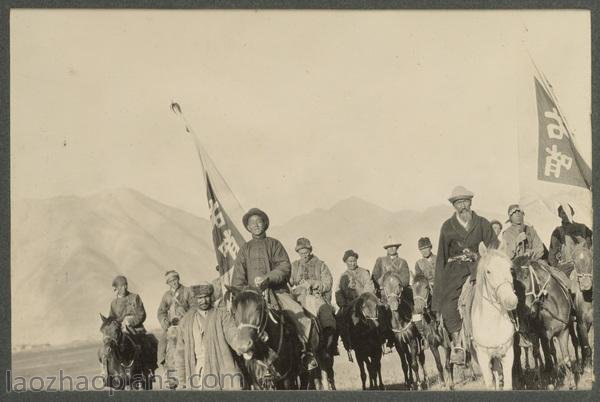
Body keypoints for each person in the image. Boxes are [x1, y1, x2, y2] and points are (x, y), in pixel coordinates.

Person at [231, 208, 318, 370]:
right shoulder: (244, 250)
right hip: (252, 297)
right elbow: (238, 277)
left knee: (300, 315)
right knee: (236, 321)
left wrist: (268, 278)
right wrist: (241, 293)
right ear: (248, 228)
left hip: (277, 292)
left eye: (259, 222)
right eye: (252, 223)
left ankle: (306, 353)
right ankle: (238, 359)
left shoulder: (274, 244)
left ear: (265, 224)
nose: (256, 225)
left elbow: (284, 267)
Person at [431, 186, 498, 365]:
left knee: (501, 291)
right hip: (455, 271)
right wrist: (437, 297)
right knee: (448, 304)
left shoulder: (483, 223)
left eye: (465, 202)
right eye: (458, 203)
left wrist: (486, 259)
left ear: (470, 202)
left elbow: (494, 246)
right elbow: (442, 259)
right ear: (454, 206)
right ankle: (458, 345)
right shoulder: (447, 227)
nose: (463, 206)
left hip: (479, 266)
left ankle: (512, 330)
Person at [175, 282, 247, 390]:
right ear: (195, 299)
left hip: (220, 364)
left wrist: (240, 344)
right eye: (200, 298)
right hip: (196, 368)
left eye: (206, 297)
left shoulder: (222, 315)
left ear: (211, 297)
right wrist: (182, 380)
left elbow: (232, 334)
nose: (204, 301)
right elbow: (180, 352)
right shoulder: (186, 321)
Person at [289, 237, 336, 337]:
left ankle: (329, 341)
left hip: (316, 296)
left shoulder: (320, 265)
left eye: (306, 253)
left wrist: (313, 283)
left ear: (310, 251)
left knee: (325, 313)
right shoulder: (294, 266)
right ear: (298, 253)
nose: (304, 256)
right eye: (301, 253)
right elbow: (289, 281)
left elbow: (328, 283)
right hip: (298, 297)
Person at [335, 249, 375, 361]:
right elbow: (338, 292)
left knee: (378, 313)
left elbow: (369, 285)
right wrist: (342, 303)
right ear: (346, 262)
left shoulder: (363, 272)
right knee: (339, 318)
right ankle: (347, 344)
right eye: (350, 261)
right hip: (349, 304)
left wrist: (365, 298)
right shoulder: (343, 276)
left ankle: (384, 339)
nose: (352, 263)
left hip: (364, 302)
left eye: (354, 261)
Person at [156, 270, 194, 367]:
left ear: (178, 279)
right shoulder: (166, 295)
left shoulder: (187, 291)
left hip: (186, 322)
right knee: (162, 342)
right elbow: (161, 312)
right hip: (171, 324)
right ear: (168, 283)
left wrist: (185, 316)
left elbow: (194, 307)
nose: (174, 282)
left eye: (175, 279)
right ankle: (163, 363)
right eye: (171, 281)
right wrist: (165, 321)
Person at [548, 203, 593, 269]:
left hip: (586, 266)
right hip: (568, 267)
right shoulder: (557, 232)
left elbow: (592, 246)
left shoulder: (583, 228)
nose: (566, 215)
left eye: (568, 212)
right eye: (563, 213)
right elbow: (552, 255)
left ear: (572, 213)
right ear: (559, 215)